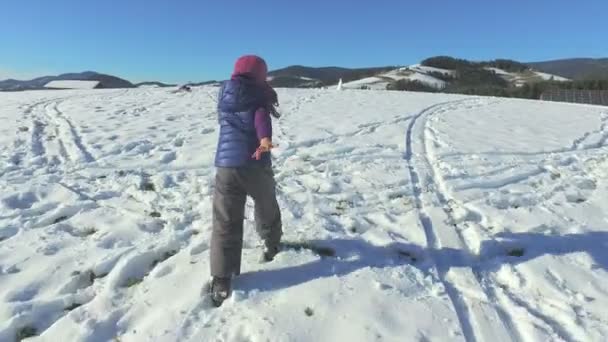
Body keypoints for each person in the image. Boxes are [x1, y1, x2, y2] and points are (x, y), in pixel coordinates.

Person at [209, 55, 282, 306]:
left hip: (226, 167)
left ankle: (220, 278)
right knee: (266, 205)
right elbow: (261, 119)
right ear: (259, 75)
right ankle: (271, 244)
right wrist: (264, 140)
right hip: (254, 164)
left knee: (225, 220)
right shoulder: (257, 96)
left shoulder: (225, 95)